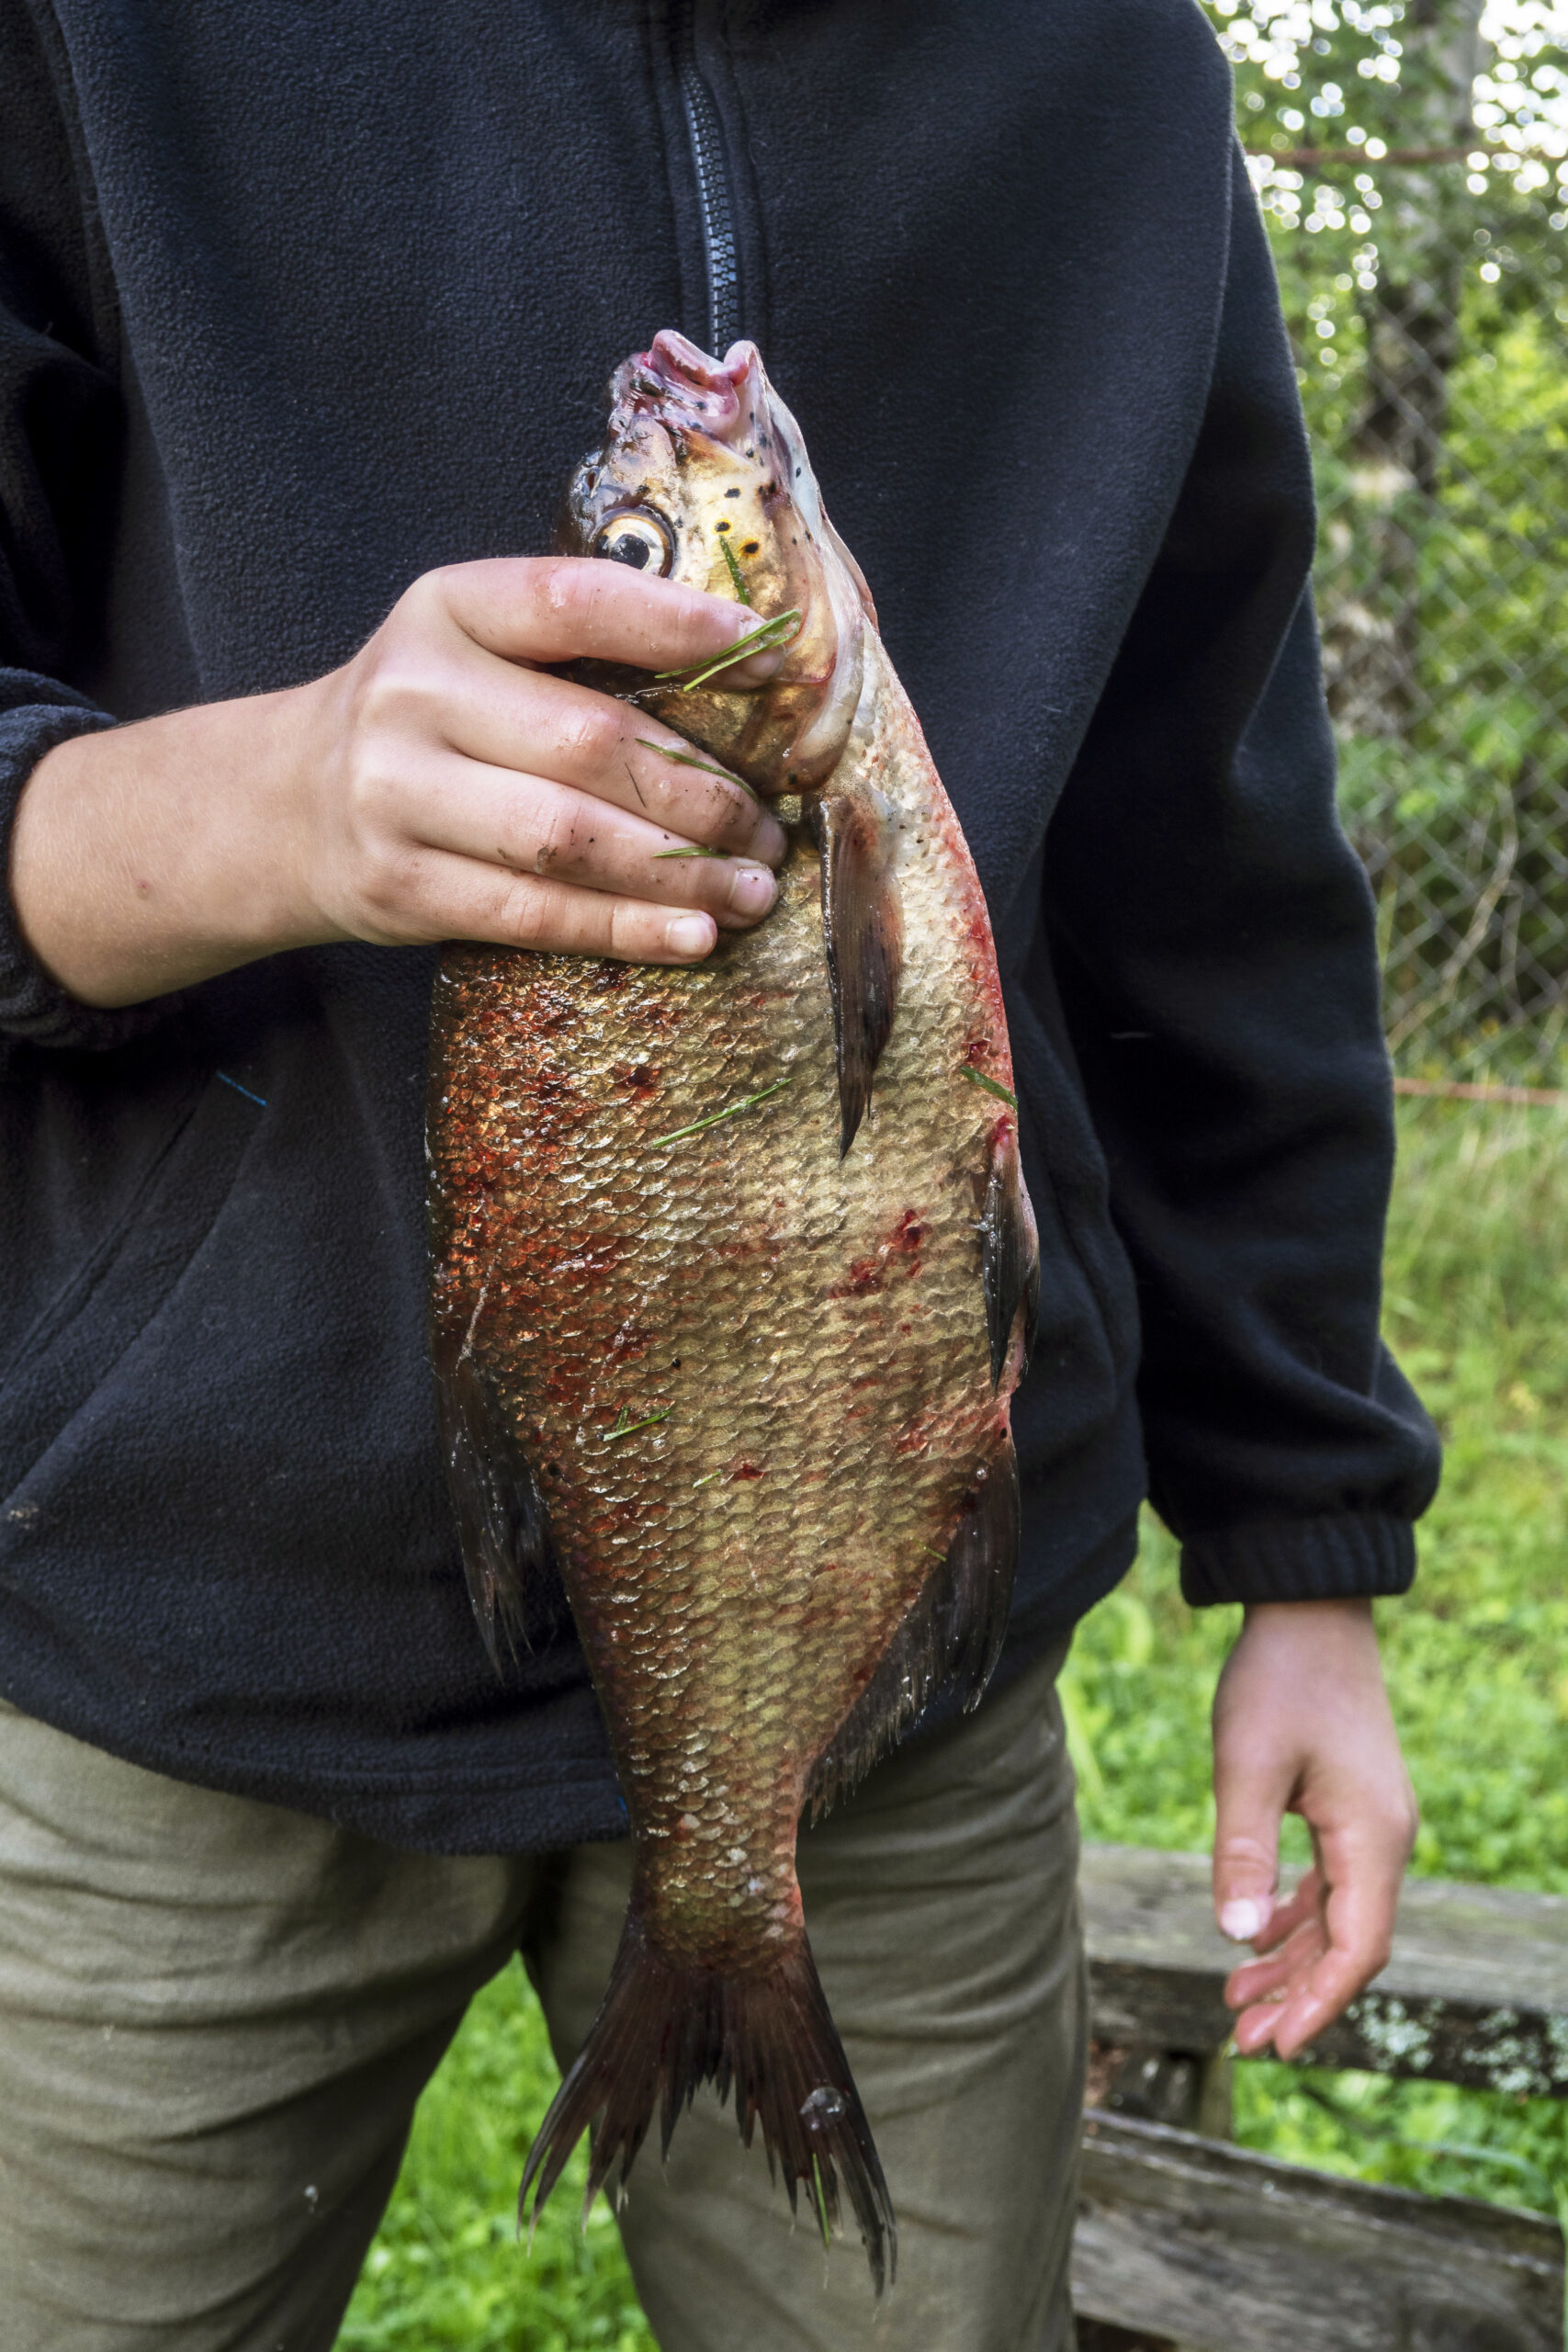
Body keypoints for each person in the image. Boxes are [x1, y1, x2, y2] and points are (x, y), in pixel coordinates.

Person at [0, 0, 1439, 2345]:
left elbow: (1218, 852)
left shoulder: (1108, 73)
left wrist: (1305, 1537)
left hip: (882, 1662)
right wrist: (268, 806)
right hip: (173, 1619)